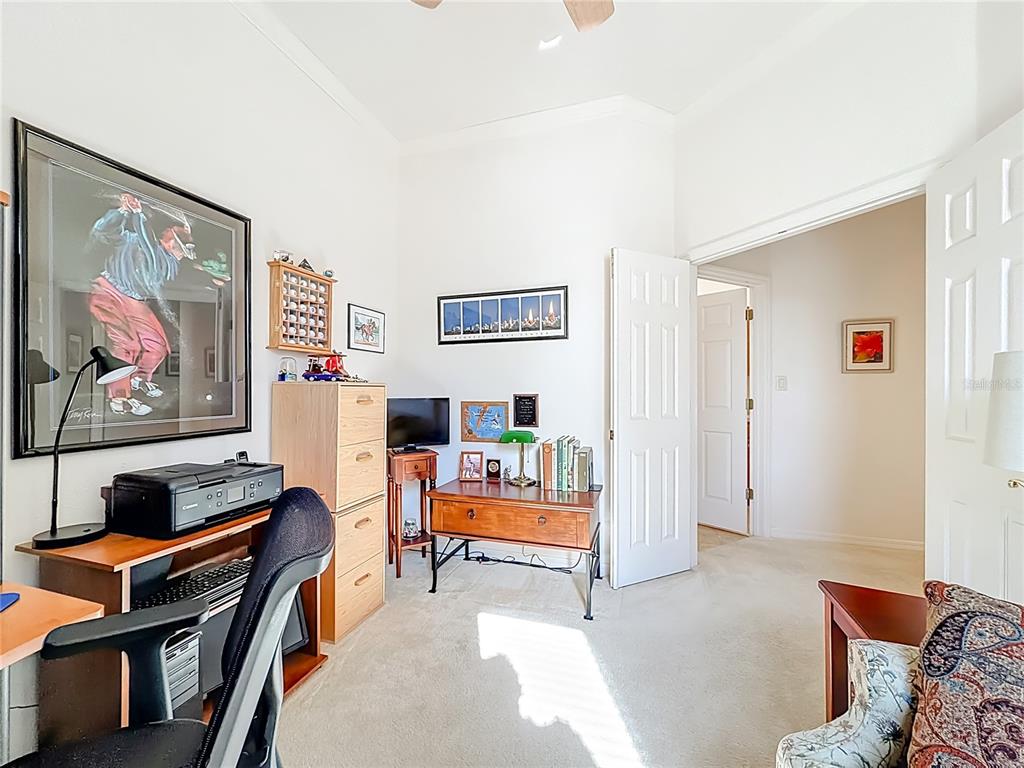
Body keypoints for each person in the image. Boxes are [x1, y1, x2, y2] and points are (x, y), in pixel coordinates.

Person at [87, 193, 195, 416]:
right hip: (109, 289)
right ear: (166, 235)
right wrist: (123, 212)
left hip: (134, 299)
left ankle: (139, 378)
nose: (179, 250)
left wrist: (138, 217)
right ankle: (120, 398)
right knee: (128, 345)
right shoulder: (130, 239)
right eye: (177, 242)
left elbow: (149, 253)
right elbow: (102, 231)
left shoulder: (167, 263)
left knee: (157, 345)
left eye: (181, 247)